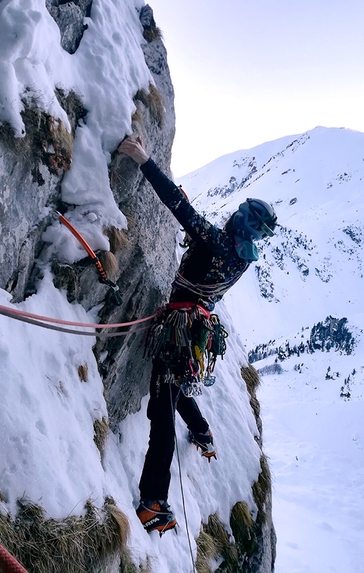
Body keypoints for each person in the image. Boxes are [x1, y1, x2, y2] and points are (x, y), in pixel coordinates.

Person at [118, 136, 277, 536]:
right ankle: (203, 431)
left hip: (177, 333)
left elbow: (179, 207)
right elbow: (201, 231)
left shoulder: (219, 242)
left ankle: (153, 501)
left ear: (240, 222)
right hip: (193, 331)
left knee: (161, 415)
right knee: (175, 390)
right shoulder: (240, 255)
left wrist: (142, 158)